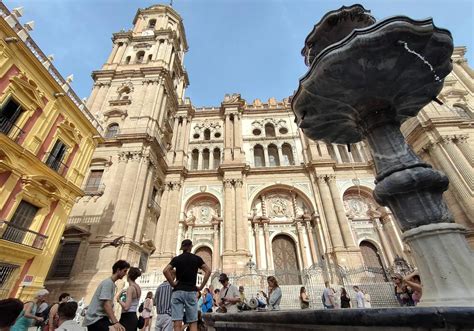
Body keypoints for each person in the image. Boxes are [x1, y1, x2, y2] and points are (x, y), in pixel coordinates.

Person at [163, 239, 211, 331]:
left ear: (182, 248)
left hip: (177, 292)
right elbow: (208, 271)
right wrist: (201, 286)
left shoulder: (177, 259)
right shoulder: (197, 259)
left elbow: (165, 270)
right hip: (191, 292)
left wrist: (173, 284)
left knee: (177, 323)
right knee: (193, 322)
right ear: (191, 247)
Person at [84, 259, 130, 331]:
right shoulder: (108, 283)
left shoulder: (111, 284)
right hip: (95, 319)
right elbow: (106, 305)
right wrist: (115, 322)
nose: (125, 274)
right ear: (118, 270)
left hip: (102, 318)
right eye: (125, 271)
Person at [118, 267, 141, 331]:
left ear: (129, 275)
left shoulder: (130, 288)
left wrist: (118, 300)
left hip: (127, 318)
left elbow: (126, 307)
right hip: (133, 316)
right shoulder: (138, 287)